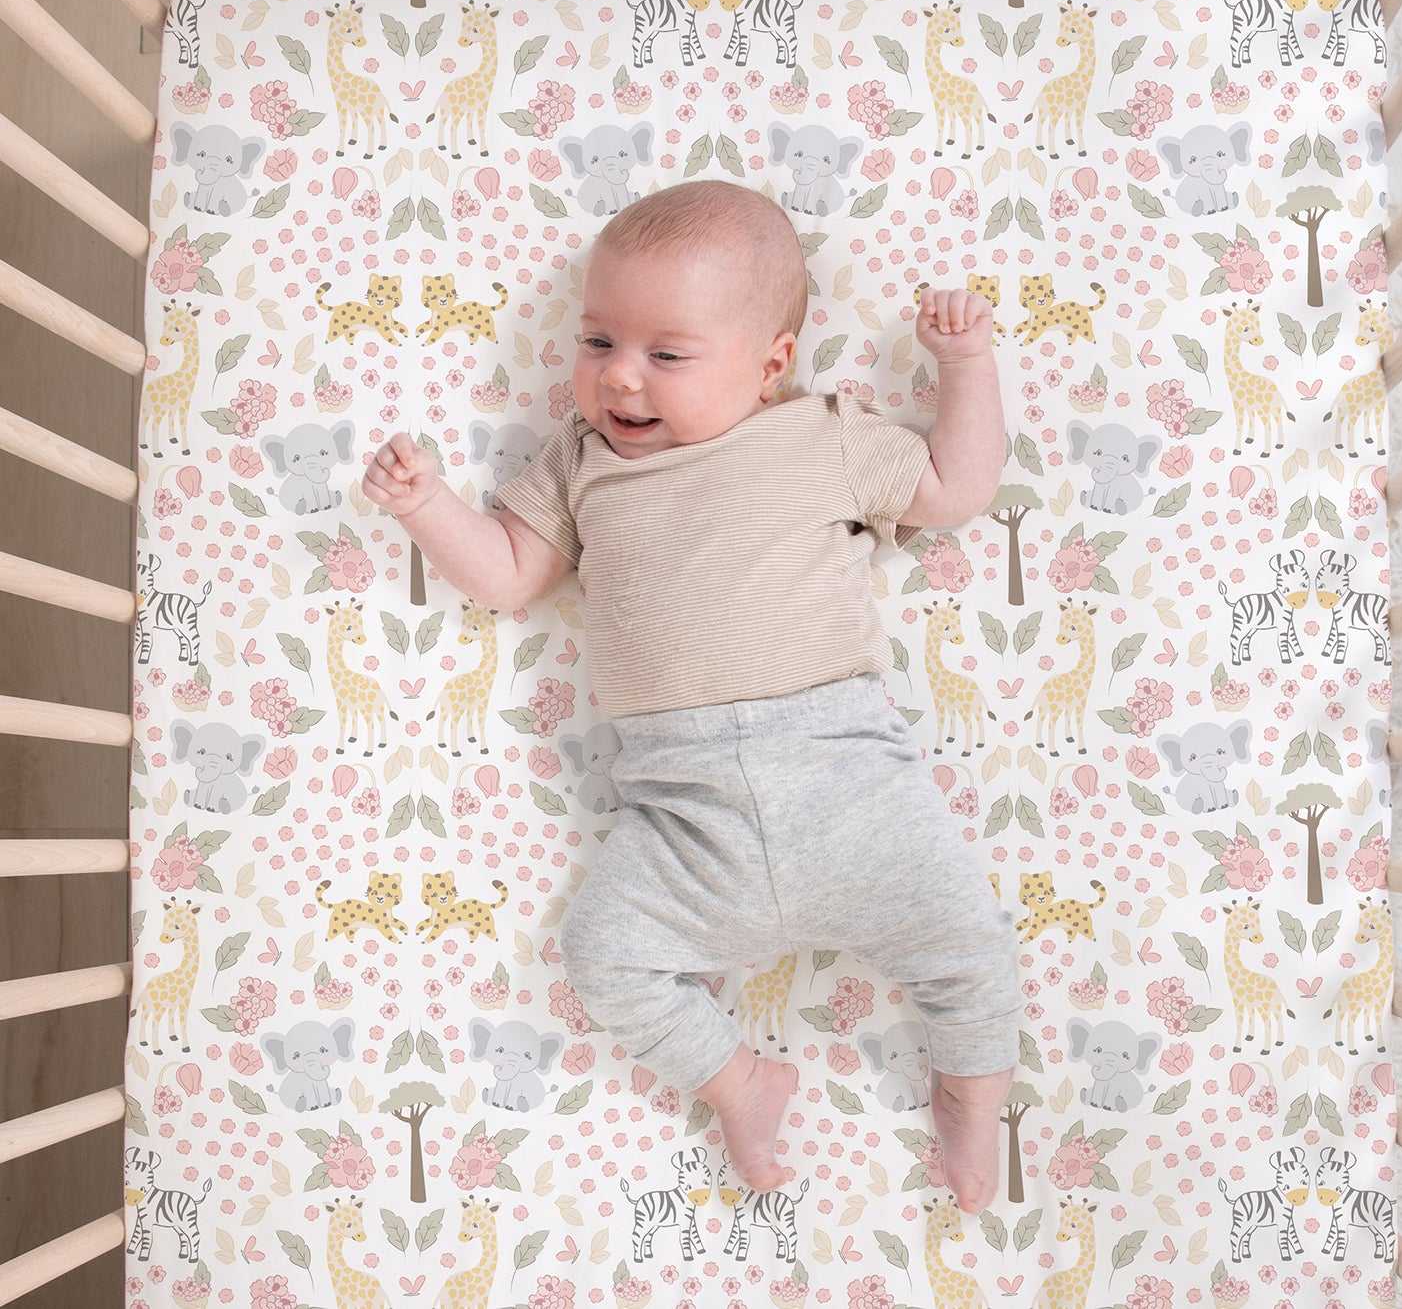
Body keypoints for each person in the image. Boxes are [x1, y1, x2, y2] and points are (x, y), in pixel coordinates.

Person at [362, 179, 1019, 1213]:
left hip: (850, 787)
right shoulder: (580, 465)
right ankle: (739, 1083)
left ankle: (972, 1103)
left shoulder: (824, 435)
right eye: (597, 341)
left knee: (973, 951)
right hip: (684, 815)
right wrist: (427, 505)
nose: (621, 376)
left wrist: (967, 367)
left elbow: (958, 487)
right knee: (600, 957)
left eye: (668, 355)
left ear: (770, 365)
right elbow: (507, 575)